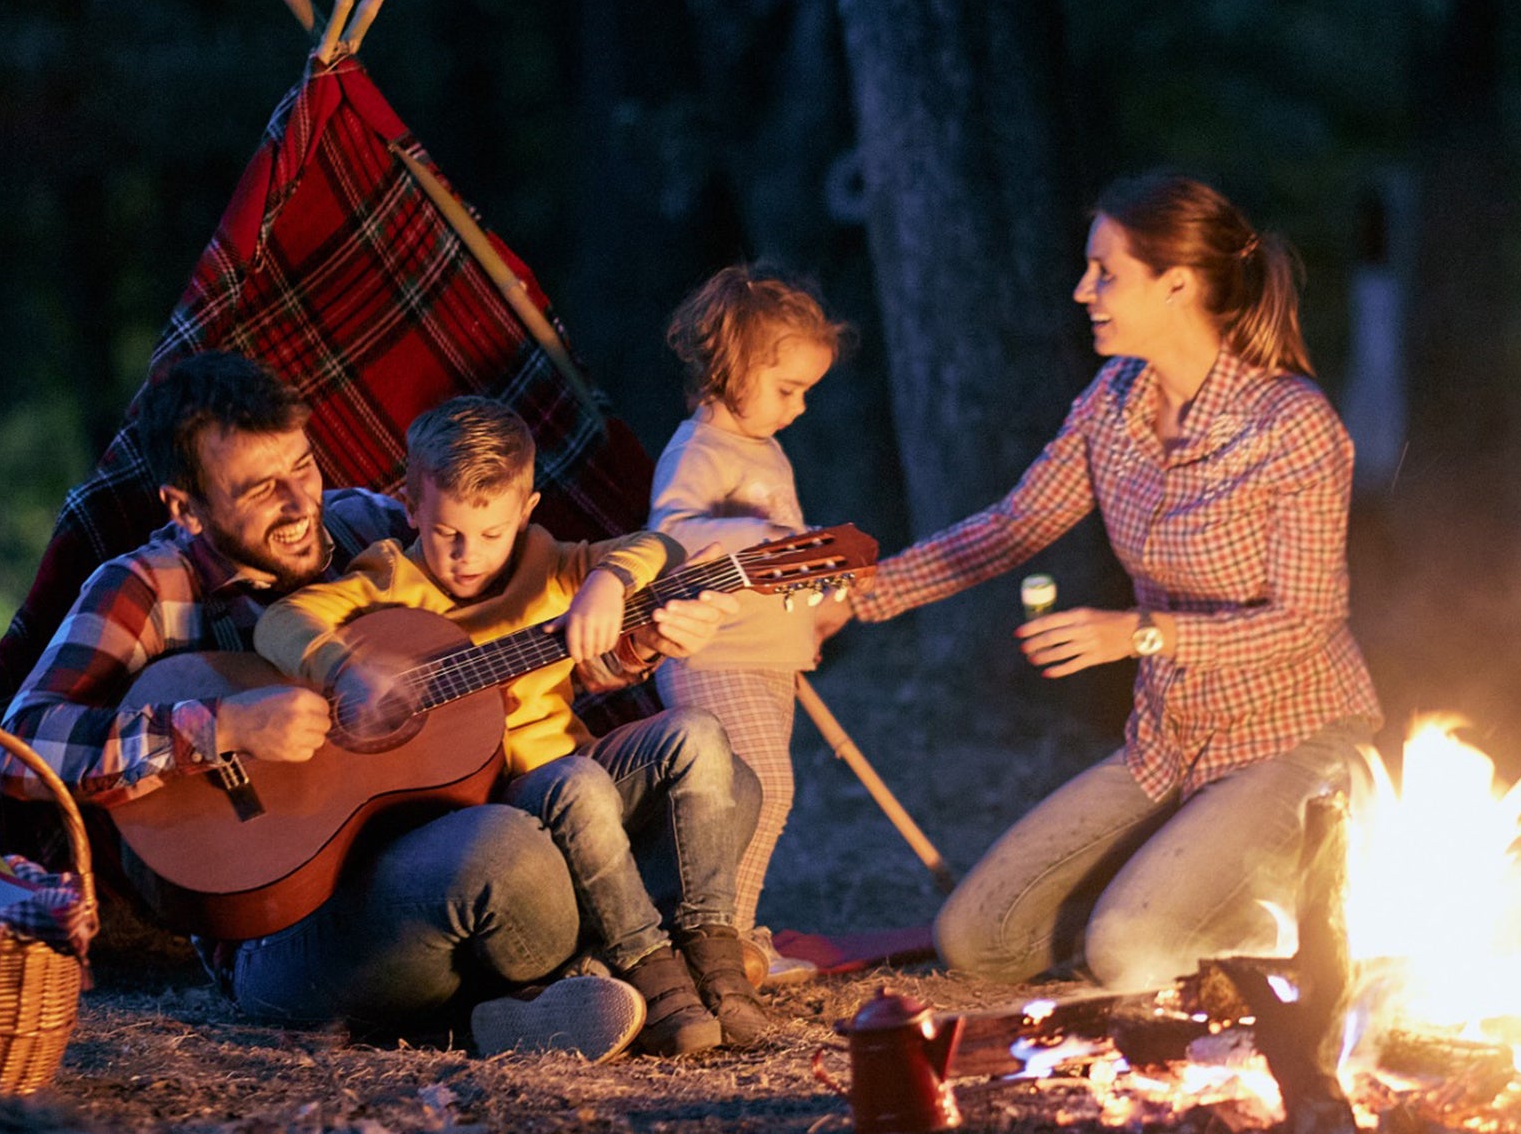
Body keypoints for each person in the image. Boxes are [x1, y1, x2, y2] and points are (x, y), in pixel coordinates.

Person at [0, 352, 731, 1062]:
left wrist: (634, 641)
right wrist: (225, 726)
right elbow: (21, 748)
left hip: (451, 828)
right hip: (292, 927)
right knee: (506, 852)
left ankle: (535, 996)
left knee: (700, 779)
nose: (298, 504)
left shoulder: (372, 525)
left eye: (302, 466)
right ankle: (562, 982)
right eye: (259, 488)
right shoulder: (146, 588)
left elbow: (508, 660)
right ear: (186, 507)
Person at [841, 173, 1385, 993]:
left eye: (1105, 272)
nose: (1081, 290)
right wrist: (856, 596)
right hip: (1167, 742)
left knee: (1128, 951)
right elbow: (1014, 523)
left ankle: (1297, 910)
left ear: (1176, 284)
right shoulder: (1114, 400)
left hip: (1293, 739)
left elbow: (1304, 620)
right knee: (977, 938)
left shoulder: (1288, 423)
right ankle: (1175, 885)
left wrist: (1137, 632)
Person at [256, 396, 771, 1055]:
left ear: (526, 511)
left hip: (579, 785)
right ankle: (648, 966)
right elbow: (280, 621)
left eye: (492, 533)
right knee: (579, 782)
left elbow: (660, 545)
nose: (468, 554)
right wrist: (345, 667)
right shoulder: (385, 581)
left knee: (698, 734)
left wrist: (608, 583)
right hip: (504, 808)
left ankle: (713, 953)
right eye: (447, 532)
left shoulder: (551, 565)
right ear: (410, 505)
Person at [644, 265, 853, 986]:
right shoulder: (697, 451)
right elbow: (671, 537)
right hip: (714, 655)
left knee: (756, 794)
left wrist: (817, 601)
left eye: (806, 391)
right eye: (787, 388)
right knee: (759, 788)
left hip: (764, 658)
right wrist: (759, 538)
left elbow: (777, 560)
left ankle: (728, 935)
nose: (799, 406)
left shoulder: (761, 448)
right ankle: (719, 939)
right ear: (731, 366)